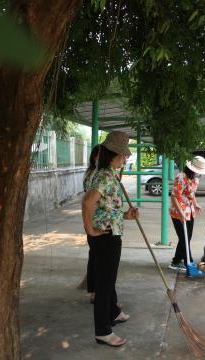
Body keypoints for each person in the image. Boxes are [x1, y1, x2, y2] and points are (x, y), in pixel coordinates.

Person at [82, 131, 138, 347]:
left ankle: (112, 315)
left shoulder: (108, 173)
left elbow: (106, 208)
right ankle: (102, 332)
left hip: (109, 232)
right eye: (123, 155)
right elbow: (88, 203)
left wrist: (126, 215)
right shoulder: (104, 175)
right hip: (106, 237)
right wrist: (90, 230)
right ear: (113, 154)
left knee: (107, 282)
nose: (125, 158)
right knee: (105, 286)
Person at [168, 156, 205, 271]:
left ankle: (176, 261)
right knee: (184, 237)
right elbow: (174, 197)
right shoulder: (181, 178)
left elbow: (192, 194)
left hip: (189, 211)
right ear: (191, 169)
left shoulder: (195, 179)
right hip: (178, 212)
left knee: (186, 237)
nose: (198, 174)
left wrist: (195, 204)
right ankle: (187, 262)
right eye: (197, 172)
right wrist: (181, 214)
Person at [83, 144, 100, 304]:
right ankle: (95, 292)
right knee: (97, 258)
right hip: (96, 220)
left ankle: (94, 291)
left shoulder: (92, 172)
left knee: (94, 256)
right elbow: (90, 201)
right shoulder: (96, 174)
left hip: (94, 219)